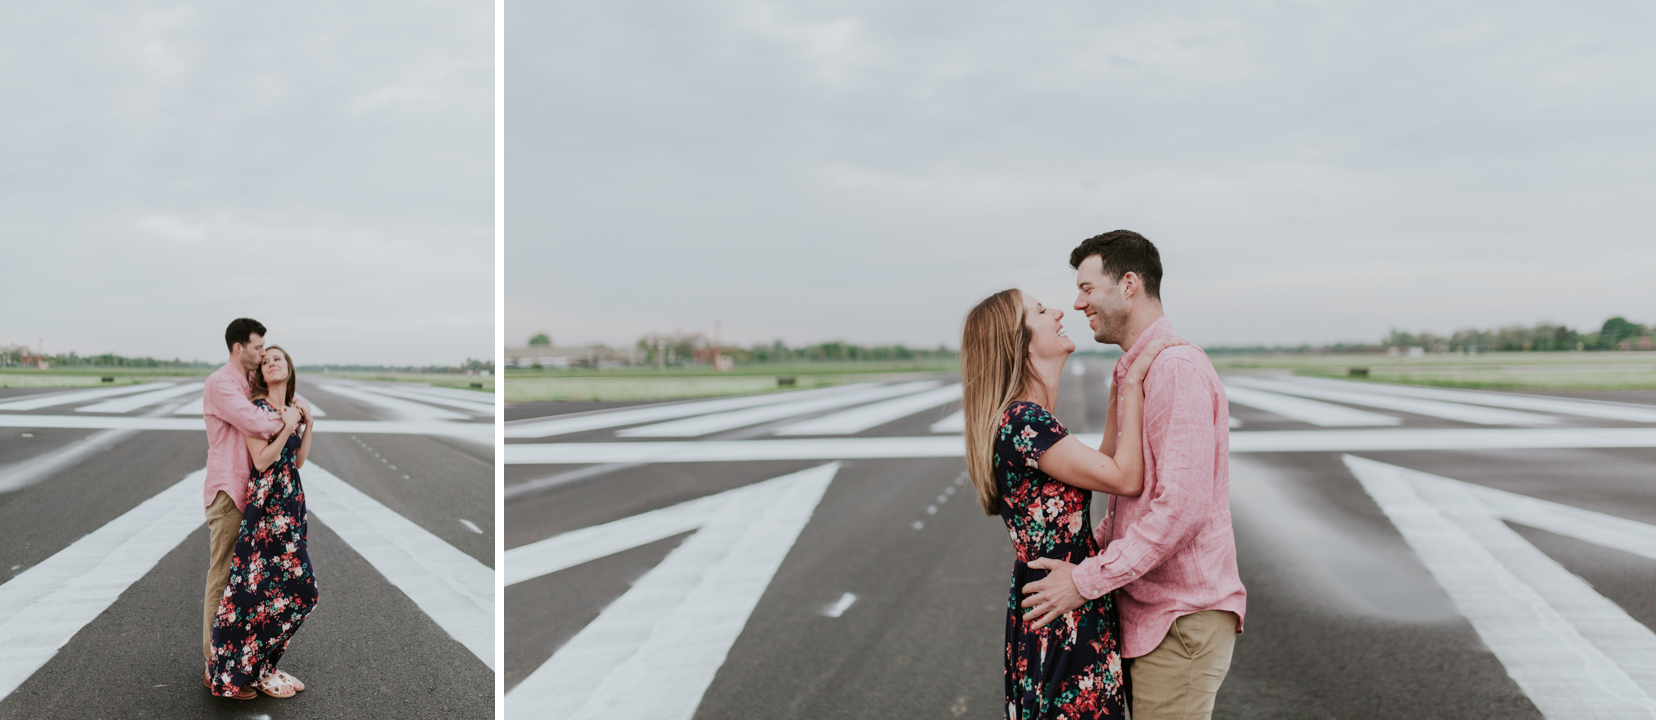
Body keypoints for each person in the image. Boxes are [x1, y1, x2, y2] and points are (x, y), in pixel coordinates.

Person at [1020, 230, 1246, 720]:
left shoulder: (1176, 368)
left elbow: (1181, 508)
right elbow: (1132, 503)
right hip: (1155, 616)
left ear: (1128, 285)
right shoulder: (1138, 369)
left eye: (1087, 287)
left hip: (1180, 618)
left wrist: (1087, 579)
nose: (1077, 304)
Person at [962, 287, 1184, 720]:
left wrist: (1120, 385)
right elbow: (1125, 477)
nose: (1060, 311)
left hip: (1063, 593)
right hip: (1063, 602)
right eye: (1042, 310)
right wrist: (1136, 385)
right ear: (1018, 340)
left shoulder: (1025, 418)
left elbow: (1102, 464)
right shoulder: (1025, 420)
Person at [207, 344, 318, 699]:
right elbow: (261, 461)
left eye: (278, 359)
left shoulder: (291, 409)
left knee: (291, 591)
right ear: (261, 372)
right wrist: (286, 426)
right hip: (267, 507)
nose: (271, 363)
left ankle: (265, 665)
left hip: (290, 503)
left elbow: (297, 462)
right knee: (277, 589)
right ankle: (244, 668)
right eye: (266, 360)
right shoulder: (256, 410)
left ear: (289, 367)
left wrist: (307, 424)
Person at [200, 318, 289, 699]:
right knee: (221, 580)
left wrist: (291, 407)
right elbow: (256, 419)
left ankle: (240, 663)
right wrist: (289, 418)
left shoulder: (245, 384)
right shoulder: (222, 384)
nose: (262, 352)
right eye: (257, 347)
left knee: (245, 586)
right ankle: (214, 668)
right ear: (239, 348)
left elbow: (271, 402)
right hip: (227, 494)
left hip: (249, 495)